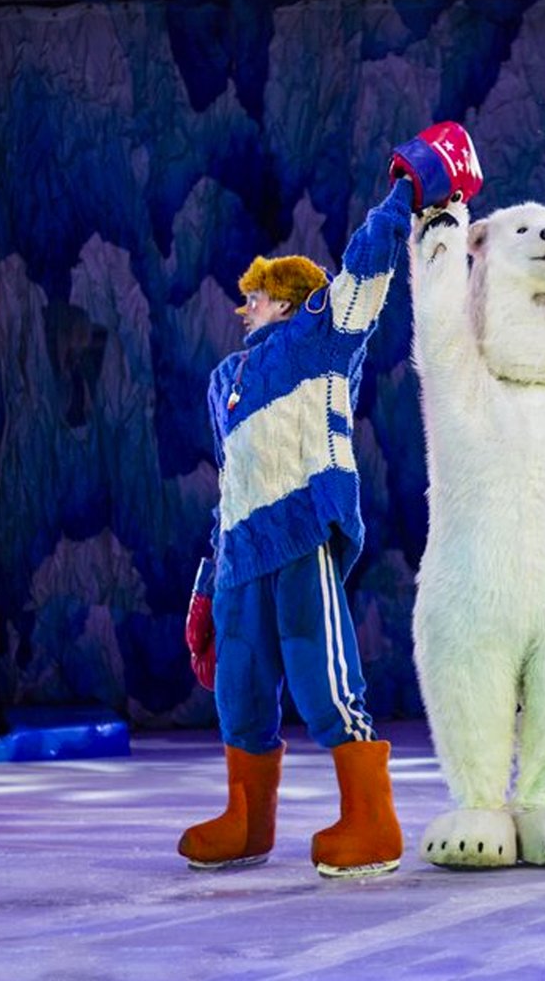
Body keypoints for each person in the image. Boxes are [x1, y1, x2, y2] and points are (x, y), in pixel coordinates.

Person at [178, 123, 480, 876]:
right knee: (241, 685)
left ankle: (371, 818)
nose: (247, 303)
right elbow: (228, 487)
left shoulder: (318, 336)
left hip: (300, 526)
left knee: (320, 671)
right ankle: (247, 818)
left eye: (258, 293)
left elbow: (364, 270)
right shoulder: (225, 383)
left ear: (287, 299)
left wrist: (405, 194)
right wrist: (206, 586)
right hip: (241, 552)